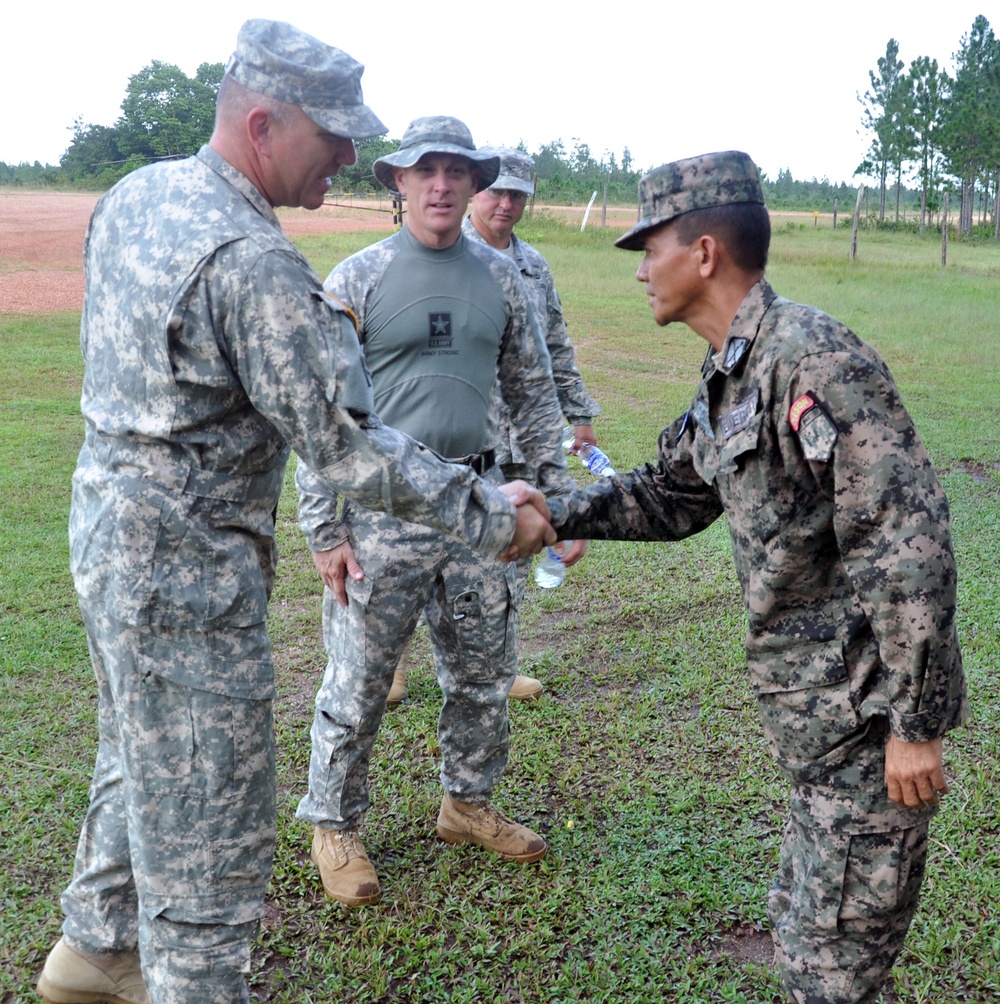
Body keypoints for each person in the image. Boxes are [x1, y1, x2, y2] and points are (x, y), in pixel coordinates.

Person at [35, 26, 554, 1004]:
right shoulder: (254, 259)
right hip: (188, 574)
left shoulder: (140, 195)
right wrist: (494, 516)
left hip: (108, 541)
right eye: (334, 135)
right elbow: (348, 443)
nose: (352, 156)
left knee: (137, 745)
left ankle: (97, 944)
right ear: (264, 123)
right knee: (209, 842)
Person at [544, 151, 967, 1004]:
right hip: (816, 736)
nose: (639, 269)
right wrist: (553, 513)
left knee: (828, 977)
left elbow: (904, 540)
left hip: (865, 734)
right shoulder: (735, 371)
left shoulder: (812, 361)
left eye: (649, 246)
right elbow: (671, 492)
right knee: (815, 947)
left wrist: (916, 723)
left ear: (704, 253)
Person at [295, 116, 578, 908]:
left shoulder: (504, 279)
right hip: (380, 516)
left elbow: (533, 395)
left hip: (480, 508)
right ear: (399, 182)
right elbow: (320, 416)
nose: (443, 185)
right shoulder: (358, 278)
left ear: (475, 183)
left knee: (484, 673)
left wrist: (558, 503)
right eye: (426, 171)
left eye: (458, 171)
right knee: (358, 683)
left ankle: (467, 803)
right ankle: (335, 824)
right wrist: (324, 530)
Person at [384, 147, 603, 706]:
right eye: (497, 192)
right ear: (476, 192)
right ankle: (394, 665)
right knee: (414, 547)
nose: (506, 203)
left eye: (518, 195)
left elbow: (554, 342)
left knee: (503, 556)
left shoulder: (530, 266)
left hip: (518, 438)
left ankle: (498, 665)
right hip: (448, 435)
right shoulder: (447, 255)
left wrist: (580, 414)